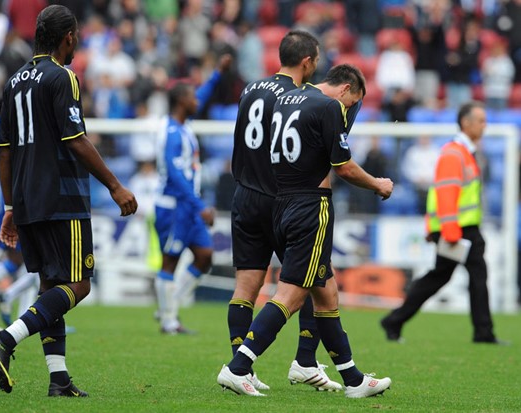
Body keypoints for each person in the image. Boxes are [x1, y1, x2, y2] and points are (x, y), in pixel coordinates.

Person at [0, 5, 137, 397]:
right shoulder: (62, 76)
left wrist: (10, 206)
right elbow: (76, 139)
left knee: (52, 286)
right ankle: (8, 338)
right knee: (78, 285)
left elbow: (4, 149)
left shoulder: (14, 81)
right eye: (77, 34)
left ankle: (58, 379)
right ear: (69, 37)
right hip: (62, 198)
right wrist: (115, 186)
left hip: (28, 200)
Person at [217, 64, 394, 398]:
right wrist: (378, 184)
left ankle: (351, 379)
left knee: (325, 288)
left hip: (280, 203)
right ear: (344, 89)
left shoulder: (287, 99)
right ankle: (238, 367)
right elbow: (343, 166)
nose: (349, 111)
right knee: (292, 294)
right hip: (311, 206)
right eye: (351, 103)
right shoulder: (328, 107)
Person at [228, 29, 342, 392]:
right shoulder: (302, 95)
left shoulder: (250, 88)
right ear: (307, 62)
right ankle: (304, 361)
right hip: (280, 199)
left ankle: (241, 367)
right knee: (307, 280)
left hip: (243, 195)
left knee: (245, 287)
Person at [381, 101, 506, 345]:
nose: (484, 125)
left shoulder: (461, 152)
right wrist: (449, 232)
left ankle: (395, 320)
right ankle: (483, 332)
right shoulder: (455, 153)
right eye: (480, 120)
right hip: (459, 230)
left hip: (460, 228)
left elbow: (439, 194)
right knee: (471, 276)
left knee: (440, 276)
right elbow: (446, 195)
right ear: (466, 123)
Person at [154, 55, 231, 335]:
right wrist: (200, 205)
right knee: (170, 261)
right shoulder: (171, 132)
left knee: (205, 255)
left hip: (189, 206)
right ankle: (168, 320)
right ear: (181, 102)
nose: (198, 101)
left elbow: (203, 93)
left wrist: (217, 74)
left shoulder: (183, 124)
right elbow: (174, 176)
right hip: (174, 206)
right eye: (192, 98)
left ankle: (168, 306)